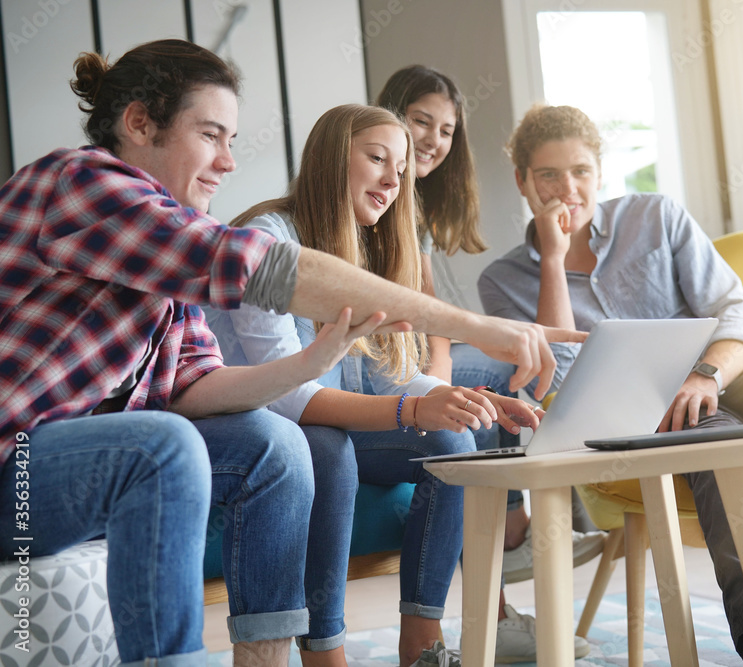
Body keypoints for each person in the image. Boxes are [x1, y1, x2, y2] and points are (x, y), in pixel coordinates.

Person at [0, 40, 584, 667]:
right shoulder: (81, 184)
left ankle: (269, 660)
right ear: (140, 123)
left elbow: (198, 386)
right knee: (162, 444)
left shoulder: (165, 252)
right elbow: (261, 267)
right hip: (23, 470)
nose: (227, 161)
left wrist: (307, 365)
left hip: (89, 465)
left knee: (273, 447)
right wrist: (476, 326)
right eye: (211, 135)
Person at [478, 104, 743, 667]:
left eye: (580, 171)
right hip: (654, 419)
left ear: (600, 171)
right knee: (708, 434)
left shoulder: (656, 217)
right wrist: (553, 262)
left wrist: (705, 374)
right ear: (522, 182)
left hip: (735, 376)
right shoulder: (502, 282)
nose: (568, 189)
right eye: (549, 176)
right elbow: (557, 374)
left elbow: (736, 316)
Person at [206, 103, 590, 666]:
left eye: (402, 168)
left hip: (324, 414)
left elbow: (377, 374)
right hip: (256, 419)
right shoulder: (267, 240)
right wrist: (413, 409)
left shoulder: (370, 244)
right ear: (333, 159)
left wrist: (454, 400)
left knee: (454, 439)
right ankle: (324, 652)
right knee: (327, 448)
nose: (393, 179)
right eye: (377, 158)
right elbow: (289, 397)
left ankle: (422, 645)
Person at [375, 65, 604, 595]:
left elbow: (428, 307)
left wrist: (441, 365)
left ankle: (516, 539)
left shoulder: (418, 212)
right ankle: (515, 529)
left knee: (505, 368)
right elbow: (414, 315)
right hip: (377, 366)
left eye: (447, 130)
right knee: (506, 369)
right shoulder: (380, 196)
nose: (433, 139)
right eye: (420, 121)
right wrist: (437, 371)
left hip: (413, 360)